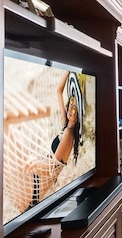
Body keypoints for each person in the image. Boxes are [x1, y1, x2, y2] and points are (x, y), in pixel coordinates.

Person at [16, 71, 83, 211]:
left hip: (36, 185)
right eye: (71, 103)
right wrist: (68, 68)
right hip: (35, 179)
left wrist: (33, 165)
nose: (72, 109)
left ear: (79, 116)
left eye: (75, 110)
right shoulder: (66, 125)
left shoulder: (69, 135)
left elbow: (51, 168)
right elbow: (58, 91)